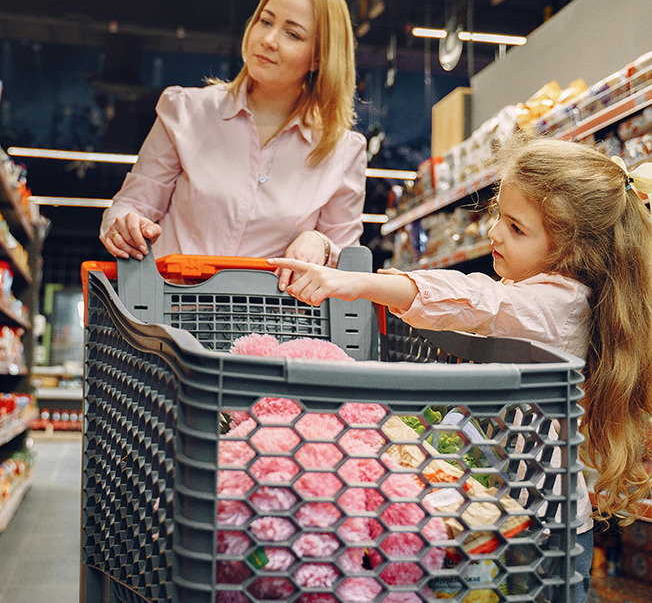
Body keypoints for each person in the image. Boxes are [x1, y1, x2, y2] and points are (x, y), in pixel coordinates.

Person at [270, 137, 652, 602]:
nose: (493, 232)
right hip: (517, 514)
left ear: (572, 251)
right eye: (498, 214)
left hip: (546, 531)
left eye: (515, 228)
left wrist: (355, 284)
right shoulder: (546, 292)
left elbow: (475, 300)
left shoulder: (558, 303)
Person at [100, 0, 367, 289]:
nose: (268, 40)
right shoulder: (186, 111)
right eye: (265, 22)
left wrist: (320, 244)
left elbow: (347, 265)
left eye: (292, 34)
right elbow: (131, 205)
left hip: (273, 330)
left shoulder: (343, 151)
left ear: (319, 58)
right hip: (169, 319)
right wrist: (124, 225)